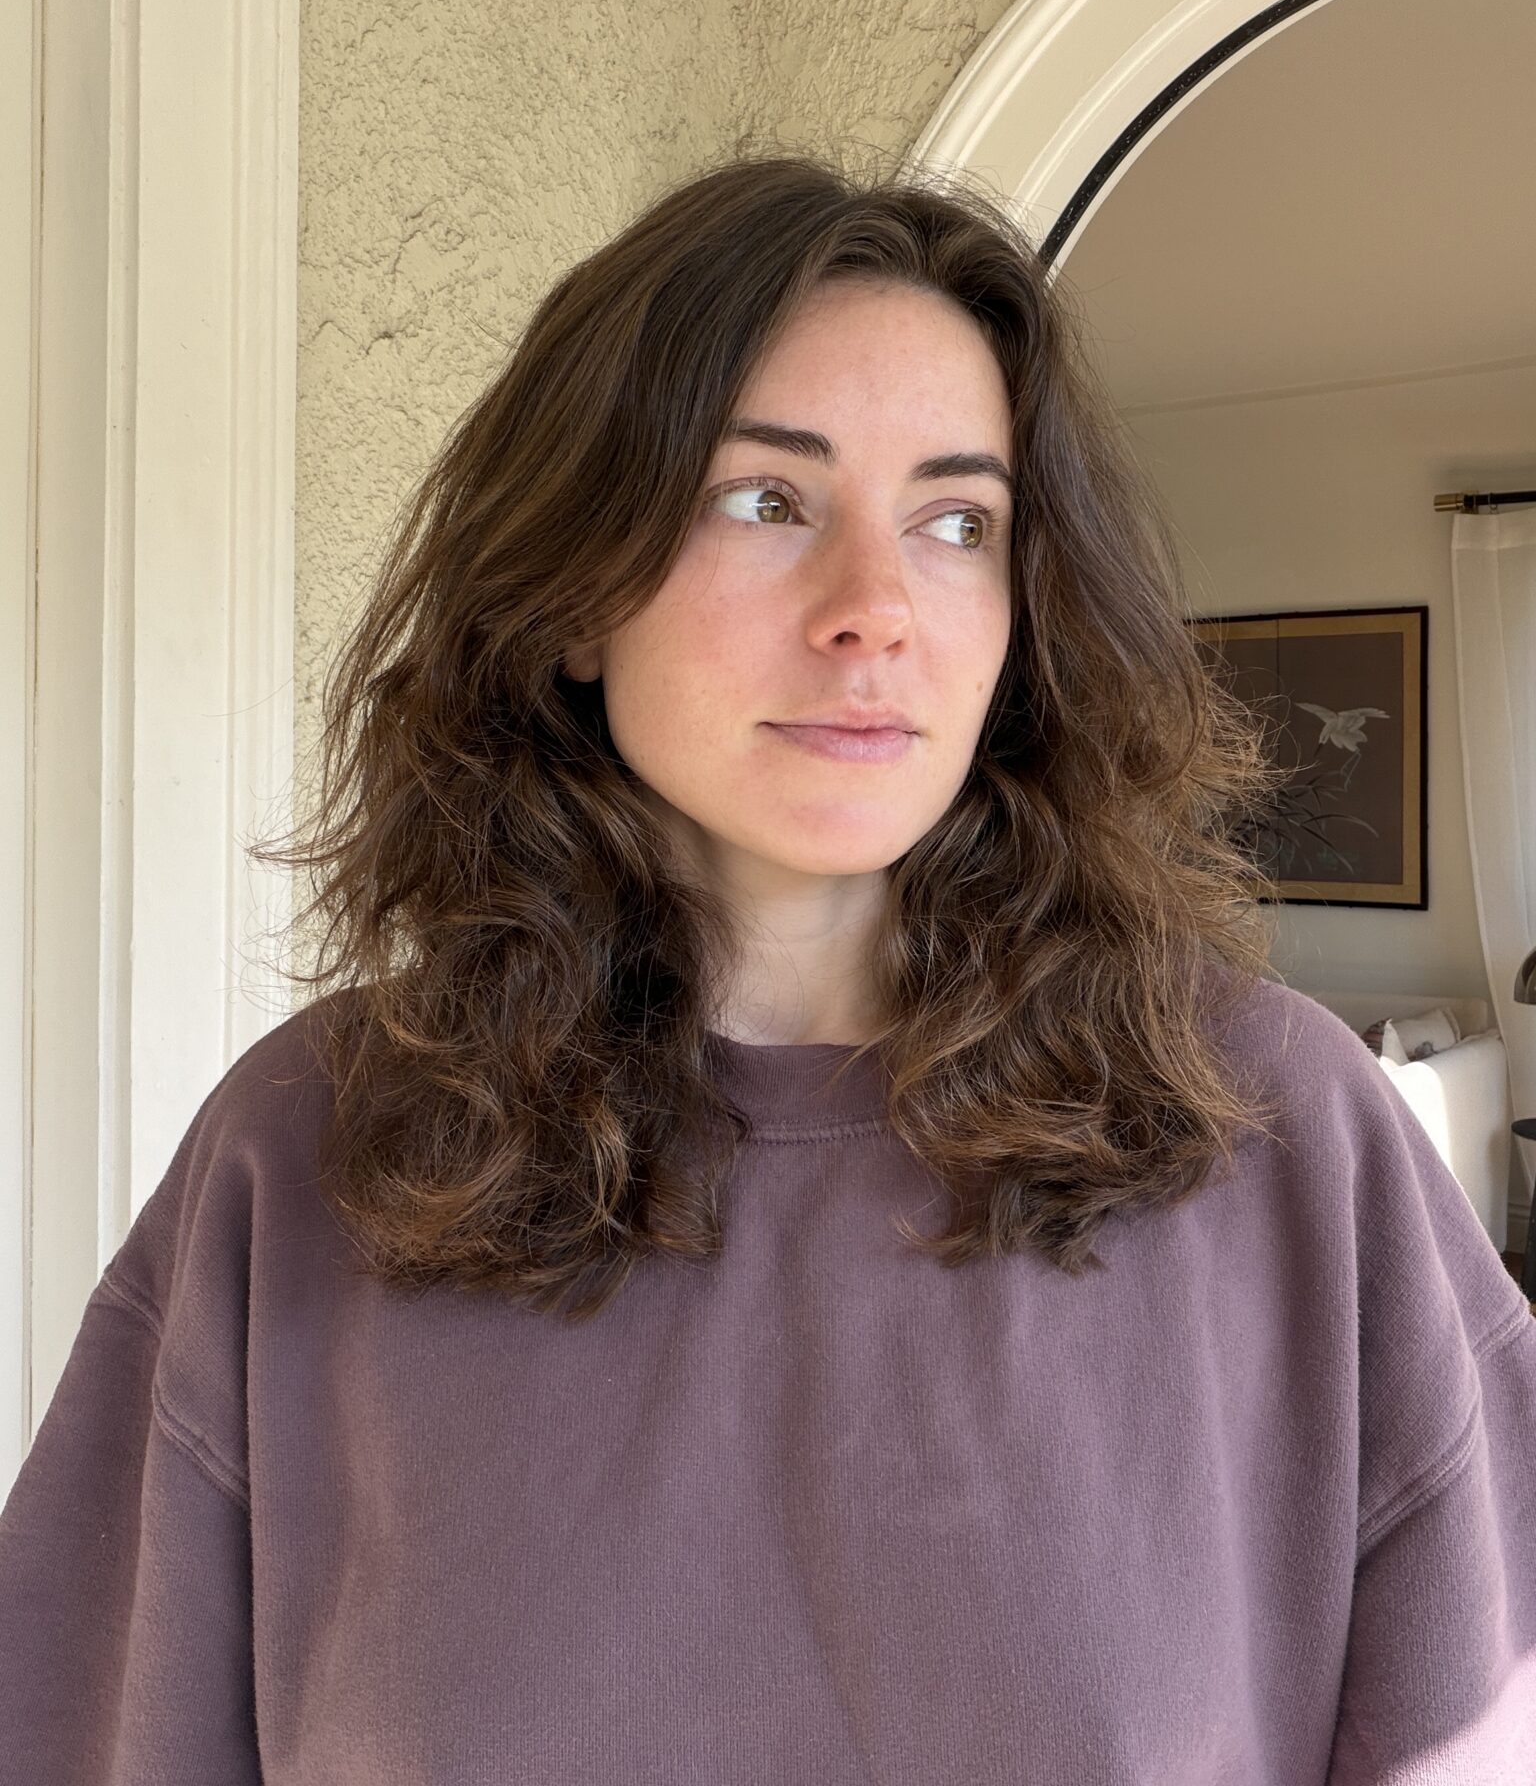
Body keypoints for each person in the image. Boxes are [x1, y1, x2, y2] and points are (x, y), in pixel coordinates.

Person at [1, 149, 1532, 1783]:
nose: (876, 608)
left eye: (957, 523)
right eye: (766, 500)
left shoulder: (1284, 1135)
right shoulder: (307, 1152)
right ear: (572, 592)